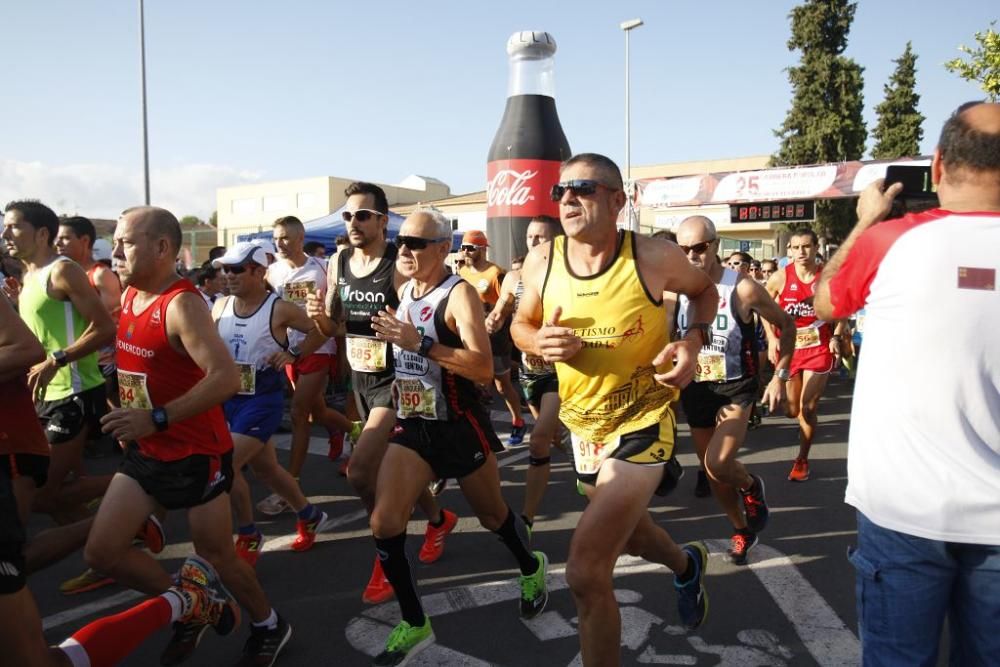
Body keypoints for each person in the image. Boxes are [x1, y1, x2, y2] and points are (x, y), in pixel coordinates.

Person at [512, 153, 719, 666]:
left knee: (585, 570)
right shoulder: (543, 261)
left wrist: (691, 341)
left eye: (582, 188)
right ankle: (685, 564)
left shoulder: (651, 256)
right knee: (631, 534)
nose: (568, 200)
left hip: (644, 418)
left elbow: (705, 292)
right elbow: (519, 324)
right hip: (584, 427)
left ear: (617, 200)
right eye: (561, 191)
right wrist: (538, 340)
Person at [813, 101, 1000, 665]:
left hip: (902, 512)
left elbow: (824, 301)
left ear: (938, 164)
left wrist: (867, 219)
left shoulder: (888, 240)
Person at [87, 206, 291, 666]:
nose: (115, 251)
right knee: (102, 552)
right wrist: (126, 413)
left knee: (219, 556)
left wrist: (155, 418)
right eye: (116, 242)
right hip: (146, 451)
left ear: (161, 248)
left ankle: (268, 624)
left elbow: (224, 379)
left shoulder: (181, 304)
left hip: (196, 455)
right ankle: (198, 604)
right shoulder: (130, 295)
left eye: (126, 242)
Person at [366, 209, 548, 666]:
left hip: (458, 425)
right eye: (401, 241)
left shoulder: (460, 295)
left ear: (443, 249)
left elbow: (484, 368)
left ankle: (531, 567)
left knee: (493, 517)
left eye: (416, 243)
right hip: (414, 425)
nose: (404, 249)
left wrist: (421, 345)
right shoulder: (405, 291)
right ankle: (414, 621)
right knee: (385, 522)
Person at [308, 182, 457, 605]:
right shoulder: (338, 262)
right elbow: (334, 329)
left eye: (362, 216)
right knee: (381, 473)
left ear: (381, 220)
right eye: (348, 216)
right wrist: (319, 318)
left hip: (397, 382)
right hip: (361, 378)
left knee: (358, 473)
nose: (353, 223)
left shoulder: (398, 263)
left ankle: (386, 549)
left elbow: (424, 310)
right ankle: (437, 517)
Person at [674, 216, 795, 565]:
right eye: (683, 249)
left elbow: (785, 324)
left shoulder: (741, 288)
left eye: (698, 247)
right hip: (696, 388)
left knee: (719, 461)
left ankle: (751, 486)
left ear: (714, 245)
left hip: (735, 388)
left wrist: (780, 376)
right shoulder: (676, 290)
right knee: (712, 473)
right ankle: (741, 528)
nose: (691, 256)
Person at [211, 242, 336, 565]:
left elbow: (322, 331)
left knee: (227, 465)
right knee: (266, 469)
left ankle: (249, 534)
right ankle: (308, 515)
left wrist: (294, 353)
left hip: (262, 401)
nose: (228, 276)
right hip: (226, 401)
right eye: (225, 269)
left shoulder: (277, 308)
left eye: (236, 269)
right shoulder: (219, 305)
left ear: (258, 271)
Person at [1, 201, 115, 527]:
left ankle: (140, 484)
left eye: (14, 226)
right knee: (58, 494)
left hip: (74, 390)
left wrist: (59, 357)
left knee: (42, 494)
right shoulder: (28, 274)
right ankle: (107, 552)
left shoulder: (63, 270)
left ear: (41, 233)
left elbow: (106, 327)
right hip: (44, 394)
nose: (6, 233)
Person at [259, 215, 357, 515]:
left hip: (317, 347)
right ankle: (355, 432)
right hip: (286, 351)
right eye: (277, 238)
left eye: (286, 237)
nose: (280, 243)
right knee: (317, 412)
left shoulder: (322, 268)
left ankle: (291, 487)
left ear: (300, 238)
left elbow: (337, 315)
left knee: (299, 412)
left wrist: (340, 353)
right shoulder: (271, 272)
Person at [488, 216, 563, 528]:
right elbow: (502, 308)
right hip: (529, 371)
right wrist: (491, 321)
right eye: (530, 236)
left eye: (541, 237)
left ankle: (527, 520)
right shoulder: (513, 277)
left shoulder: (564, 276)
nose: (533, 242)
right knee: (556, 436)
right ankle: (588, 468)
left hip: (560, 371)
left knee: (539, 439)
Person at [764, 227, 844, 482]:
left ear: (815, 248)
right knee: (792, 409)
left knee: (808, 409)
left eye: (806, 246)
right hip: (789, 349)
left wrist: (835, 335)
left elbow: (842, 309)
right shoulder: (779, 277)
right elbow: (762, 307)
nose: (801, 252)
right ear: (789, 250)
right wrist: (771, 337)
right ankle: (799, 416)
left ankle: (802, 459)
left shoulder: (827, 278)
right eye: (796, 247)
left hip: (818, 347)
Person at [458, 230, 526, 445]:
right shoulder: (463, 273)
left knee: (502, 385)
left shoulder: (496, 274)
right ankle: (482, 432)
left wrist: (494, 323)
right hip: (470, 336)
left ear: (482, 249)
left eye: (470, 248)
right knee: (477, 385)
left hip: (494, 338)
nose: (466, 252)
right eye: (463, 247)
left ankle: (518, 422)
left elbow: (506, 306)